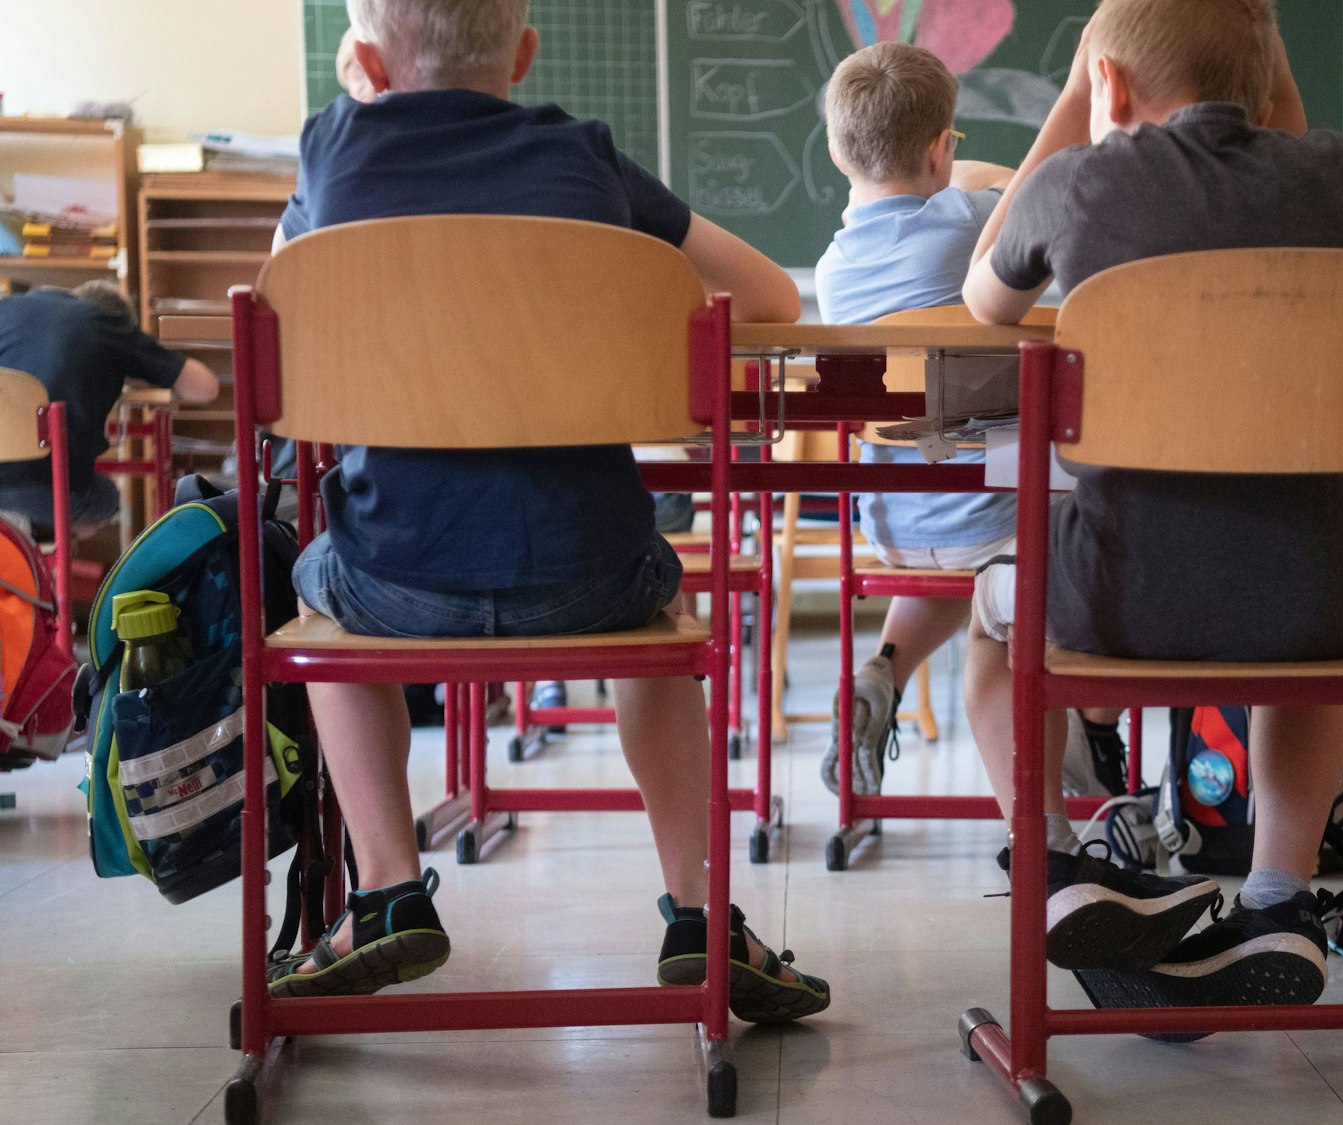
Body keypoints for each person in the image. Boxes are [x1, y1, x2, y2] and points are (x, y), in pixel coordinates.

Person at [264, 0, 828, 1023]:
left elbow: (277, 298)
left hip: (397, 583)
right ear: (525, 54)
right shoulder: (588, 158)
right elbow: (771, 298)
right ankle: (701, 915)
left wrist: (360, 115)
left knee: (317, 599)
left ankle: (387, 893)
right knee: (660, 614)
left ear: (364, 62)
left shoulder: (328, 147)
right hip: (594, 576)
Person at [959, 0, 1343, 1010]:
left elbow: (984, 300)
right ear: (1273, 84)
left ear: (1104, 83)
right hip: (1322, 608)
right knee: (1303, 646)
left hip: (1121, 602)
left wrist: (1071, 103)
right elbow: (1290, 138)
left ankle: (1057, 863)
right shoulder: (1335, 176)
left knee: (982, 614)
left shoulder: (1074, 181)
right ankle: (1276, 900)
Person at [811, 42, 1128, 798]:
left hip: (894, 522)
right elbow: (1033, 189)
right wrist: (968, 171)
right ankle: (1087, 744)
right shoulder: (971, 227)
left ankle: (881, 667)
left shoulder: (831, 269)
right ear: (939, 149)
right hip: (1001, 517)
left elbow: (950, 187)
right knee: (1062, 512)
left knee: (951, 522)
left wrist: (947, 166)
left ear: (835, 151)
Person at [0, 282, 218, 538]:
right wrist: (135, 371)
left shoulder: (7, 306)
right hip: (46, 493)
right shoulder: (108, 325)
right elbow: (207, 387)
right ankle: (34, 550)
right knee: (108, 498)